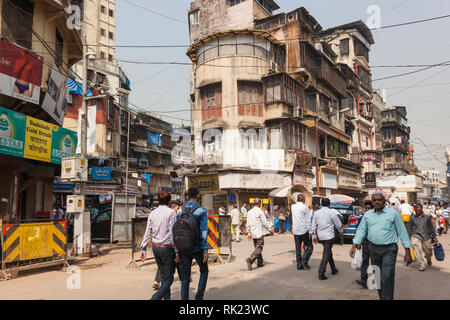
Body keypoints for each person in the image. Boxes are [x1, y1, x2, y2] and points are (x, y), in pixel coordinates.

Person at [350, 192, 412, 300]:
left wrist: (407, 252)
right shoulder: (368, 215)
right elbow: (361, 230)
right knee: (377, 276)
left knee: (387, 276)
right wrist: (354, 246)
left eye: (379, 200)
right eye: (374, 200)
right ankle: (383, 297)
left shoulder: (393, 214)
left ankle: (387, 298)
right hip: (373, 249)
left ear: (384, 201)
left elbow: (402, 232)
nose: (377, 202)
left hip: (390, 249)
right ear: (372, 202)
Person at [140, 191, 177, 300]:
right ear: (169, 201)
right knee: (169, 279)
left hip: (156, 248)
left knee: (164, 276)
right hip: (167, 249)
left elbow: (148, 232)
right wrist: (177, 250)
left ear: (158, 201)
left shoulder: (152, 213)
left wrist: (143, 249)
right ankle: (155, 298)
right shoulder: (171, 213)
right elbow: (172, 233)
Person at [177, 187, 209, 300]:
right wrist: (205, 249)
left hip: (183, 247)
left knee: (185, 277)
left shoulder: (180, 210)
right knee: (204, 271)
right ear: (198, 196)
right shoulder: (202, 210)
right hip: (197, 247)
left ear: (187, 196)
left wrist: (177, 250)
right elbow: (203, 231)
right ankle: (199, 297)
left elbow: (177, 229)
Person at [153, 200, 183, 290]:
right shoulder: (173, 215)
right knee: (176, 261)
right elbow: (172, 233)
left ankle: (157, 281)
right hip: (169, 245)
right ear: (175, 207)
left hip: (159, 245)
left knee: (162, 265)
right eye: (178, 208)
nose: (178, 210)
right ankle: (183, 278)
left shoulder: (159, 214)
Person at [311, 198, 343, 280]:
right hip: (329, 236)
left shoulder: (316, 213)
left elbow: (313, 225)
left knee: (328, 252)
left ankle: (333, 269)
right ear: (329, 204)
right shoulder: (331, 212)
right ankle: (321, 273)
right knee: (326, 253)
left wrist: (314, 236)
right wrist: (341, 232)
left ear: (321, 204)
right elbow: (338, 224)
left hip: (320, 236)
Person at [408, 204, 438, 272]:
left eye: (419, 210)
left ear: (422, 209)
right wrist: (409, 237)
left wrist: (434, 236)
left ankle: (428, 258)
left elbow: (431, 227)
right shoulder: (412, 218)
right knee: (417, 249)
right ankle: (422, 265)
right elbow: (409, 228)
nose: (418, 211)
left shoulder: (427, 217)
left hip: (426, 236)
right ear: (414, 210)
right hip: (416, 235)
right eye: (416, 210)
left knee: (428, 251)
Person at [245, 198, 272, 271]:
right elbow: (265, 223)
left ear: (253, 203)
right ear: (259, 204)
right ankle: (250, 259)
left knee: (257, 248)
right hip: (259, 233)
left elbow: (247, 223)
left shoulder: (249, 212)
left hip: (253, 233)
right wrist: (270, 229)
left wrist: (248, 233)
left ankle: (260, 263)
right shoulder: (260, 212)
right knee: (259, 248)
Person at [291, 194, 313, 270]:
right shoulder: (305, 208)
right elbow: (308, 220)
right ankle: (304, 260)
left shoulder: (293, 207)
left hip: (296, 230)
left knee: (298, 248)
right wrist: (310, 231)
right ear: (303, 200)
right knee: (310, 247)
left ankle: (299, 265)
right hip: (304, 230)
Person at [355, 200, 374, 289]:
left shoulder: (376, 218)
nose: (367, 210)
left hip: (375, 242)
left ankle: (377, 281)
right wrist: (358, 243)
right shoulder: (361, 219)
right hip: (365, 242)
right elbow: (359, 231)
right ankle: (364, 280)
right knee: (365, 261)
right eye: (366, 208)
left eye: (369, 208)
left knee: (375, 262)